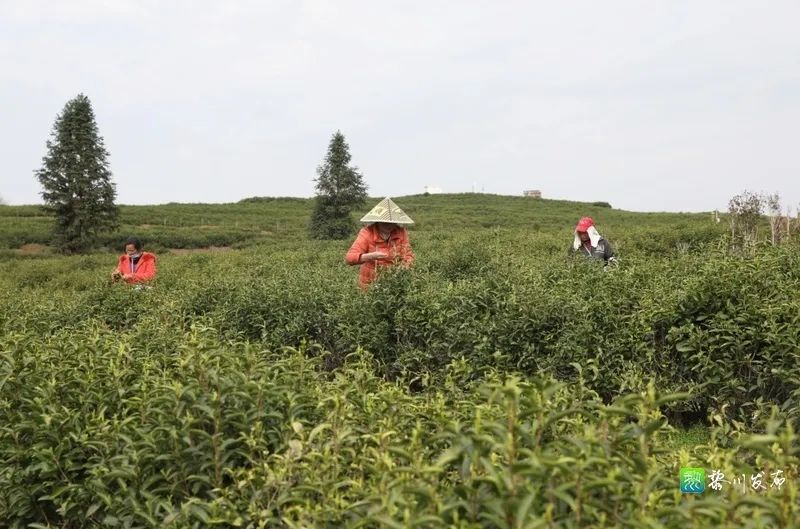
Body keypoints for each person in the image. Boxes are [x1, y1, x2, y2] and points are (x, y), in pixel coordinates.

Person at [345, 197, 415, 288]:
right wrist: (370, 256)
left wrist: (404, 267)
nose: (389, 226)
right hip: (370, 284)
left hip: (395, 282)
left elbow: (408, 255)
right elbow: (349, 258)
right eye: (385, 223)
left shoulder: (401, 232)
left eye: (392, 223)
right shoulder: (367, 233)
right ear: (378, 221)